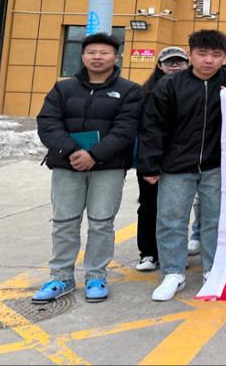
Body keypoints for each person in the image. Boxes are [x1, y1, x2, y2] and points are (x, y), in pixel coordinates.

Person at [139, 30, 226, 302]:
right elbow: (152, 125)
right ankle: (173, 272)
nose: (208, 60)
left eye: (216, 55)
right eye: (202, 54)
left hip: (219, 166)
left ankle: (213, 270)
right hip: (176, 165)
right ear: (190, 55)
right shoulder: (170, 85)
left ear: (224, 57)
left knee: (216, 220)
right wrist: (149, 165)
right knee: (171, 219)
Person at [33, 33, 144, 304]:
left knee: (101, 223)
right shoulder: (63, 89)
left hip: (108, 168)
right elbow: (48, 123)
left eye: (104, 53)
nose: (97, 57)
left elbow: (126, 129)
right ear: (82, 56)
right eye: (92, 52)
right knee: (64, 222)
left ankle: (96, 276)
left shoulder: (130, 91)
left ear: (115, 57)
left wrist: (95, 155)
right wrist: (72, 151)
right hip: (67, 166)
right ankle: (61, 277)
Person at [134, 46, 189, 273]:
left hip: (181, 159)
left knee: (177, 211)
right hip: (151, 159)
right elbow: (144, 129)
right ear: (159, 65)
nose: (174, 66)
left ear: (187, 64)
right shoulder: (145, 92)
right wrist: (148, 163)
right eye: (169, 62)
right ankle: (148, 252)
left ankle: (174, 254)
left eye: (179, 62)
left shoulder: (193, 88)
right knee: (149, 206)